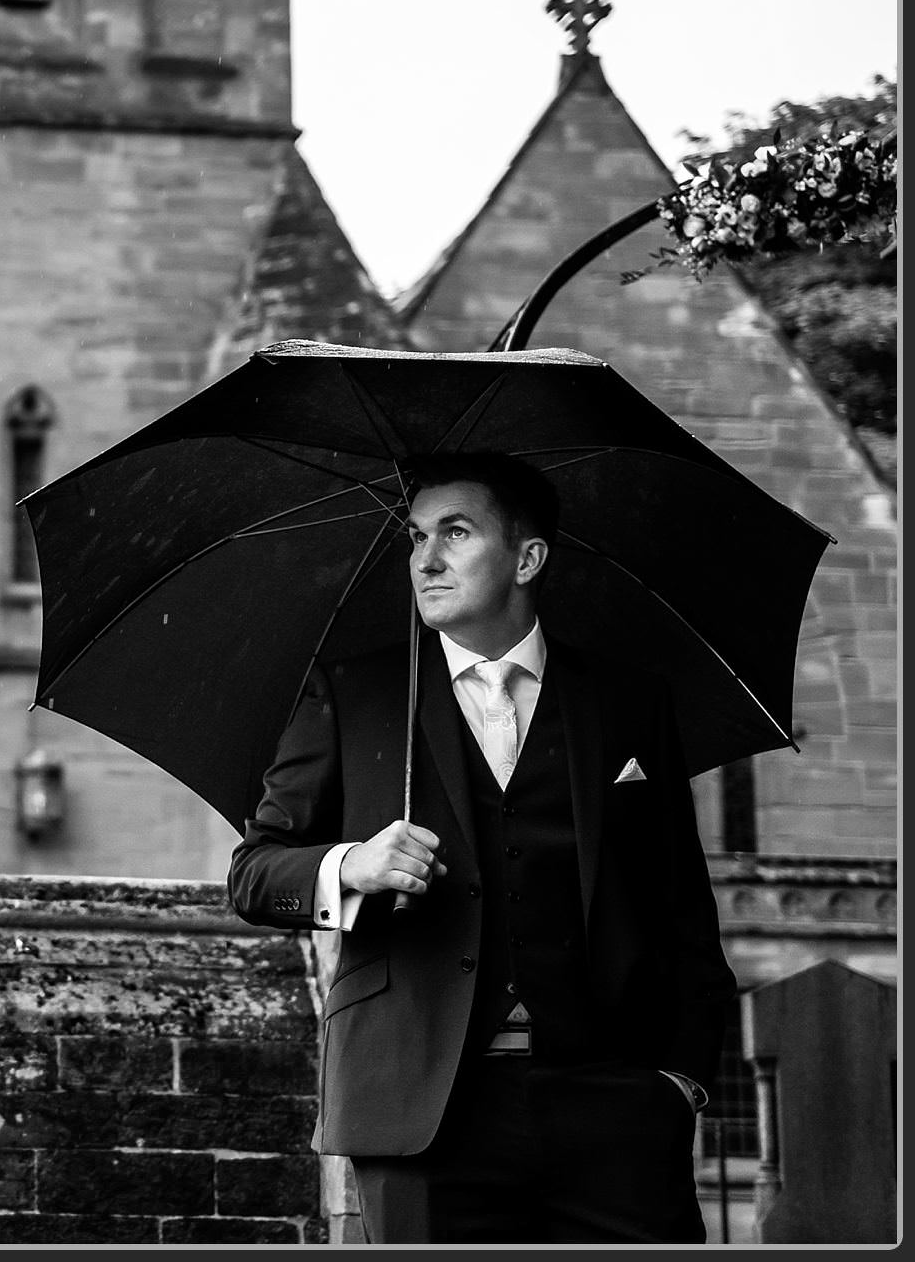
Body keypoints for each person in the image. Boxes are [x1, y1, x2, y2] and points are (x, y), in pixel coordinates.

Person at [227, 451, 735, 1244]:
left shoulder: (628, 702)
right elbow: (254, 874)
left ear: (528, 557)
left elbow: (680, 904)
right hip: (420, 1108)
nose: (424, 558)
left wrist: (680, 1082)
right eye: (416, 536)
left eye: (455, 533)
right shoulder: (354, 694)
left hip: (615, 1107)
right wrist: (348, 866)